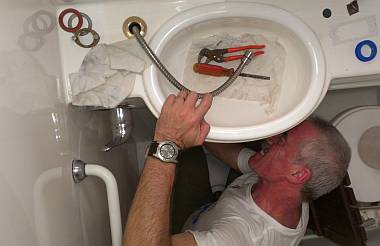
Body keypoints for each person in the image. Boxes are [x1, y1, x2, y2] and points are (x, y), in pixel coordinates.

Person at [123, 90, 350, 246]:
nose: (271, 138)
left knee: (170, 163)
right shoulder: (285, 187)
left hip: (183, 232)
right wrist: (195, 124)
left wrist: (168, 139)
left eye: (282, 140)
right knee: (188, 154)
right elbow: (239, 158)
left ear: (297, 173)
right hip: (208, 211)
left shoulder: (243, 235)